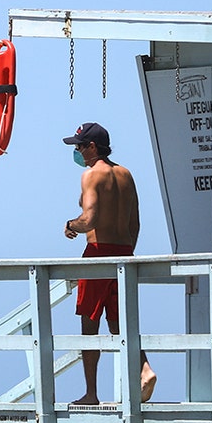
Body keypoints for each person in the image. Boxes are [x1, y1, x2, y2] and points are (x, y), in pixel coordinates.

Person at [62, 122, 156, 405]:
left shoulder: (91, 175)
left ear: (92, 147)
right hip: (124, 253)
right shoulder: (126, 174)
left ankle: (91, 394)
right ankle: (145, 370)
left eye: (79, 146)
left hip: (97, 254)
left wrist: (70, 224)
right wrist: (126, 254)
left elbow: (89, 219)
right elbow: (135, 223)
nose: (77, 151)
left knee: (90, 326)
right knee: (119, 323)